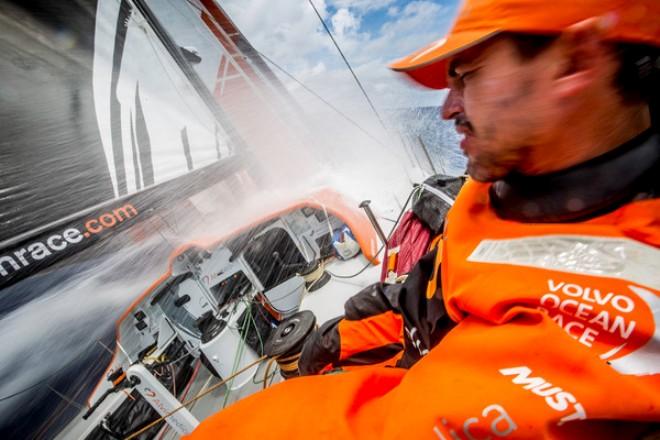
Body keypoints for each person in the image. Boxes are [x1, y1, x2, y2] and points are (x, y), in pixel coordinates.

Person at [188, 0, 660, 438]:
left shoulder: (622, 302)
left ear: (575, 62)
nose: (448, 109)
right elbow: (425, 293)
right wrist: (337, 338)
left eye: (468, 77)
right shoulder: (502, 185)